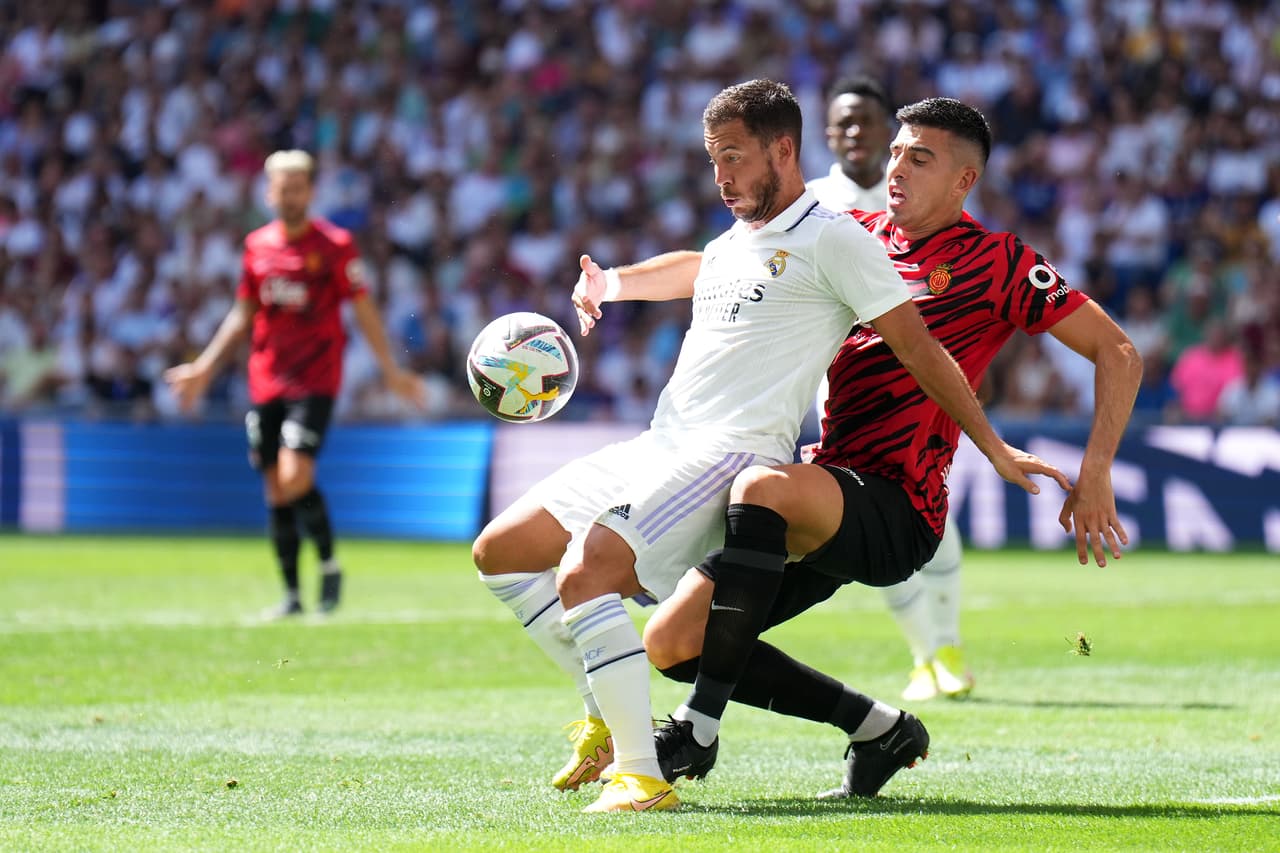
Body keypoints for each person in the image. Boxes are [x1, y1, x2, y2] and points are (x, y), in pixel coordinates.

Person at [473, 81, 1065, 814]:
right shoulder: (738, 240)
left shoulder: (836, 237)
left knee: (589, 570)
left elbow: (921, 347)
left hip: (730, 455)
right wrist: (615, 282)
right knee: (499, 551)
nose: (720, 175)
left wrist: (994, 445)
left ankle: (641, 774)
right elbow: (699, 266)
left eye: (732, 156)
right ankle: (603, 709)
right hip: (662, 441)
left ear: (782, 150)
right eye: (711, 158)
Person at [641, 97, 1142, 799]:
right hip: (826, 485)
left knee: (761, 489)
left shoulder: (998, 261)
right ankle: (879, 728)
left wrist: (1096, 473)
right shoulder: (853, 237)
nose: (895, 165)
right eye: (898, 151)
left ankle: (697, 728)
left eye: (920, 156)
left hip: (898, 505)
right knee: (670, 642)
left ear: (965, 181)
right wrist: (619, 283)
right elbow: (722, 265)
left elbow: (1118, 350)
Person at [165, 150, 425, 618]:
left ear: (310, 191)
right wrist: (204, 367)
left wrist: (391, 369)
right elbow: (244, 312)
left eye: (297, 187)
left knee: (293, 475)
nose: (288, 196)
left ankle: (327, 564)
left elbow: (362, 308)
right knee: (274, 487)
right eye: (281, 188)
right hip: (266, 380)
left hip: (316, 379)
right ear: (269, 192)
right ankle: (291, 595)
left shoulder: (336, 246)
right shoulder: (256, 247)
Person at [808, 74, 978, 702]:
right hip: (842, 384)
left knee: (930, 509)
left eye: (866, 123)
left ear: (891, 134)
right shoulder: (811, 200)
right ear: (828, 135)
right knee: (871, 520)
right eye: (842, 124)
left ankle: (949, 644)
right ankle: (924, 654)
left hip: (920, 383)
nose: (854, 133)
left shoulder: (916, 189)